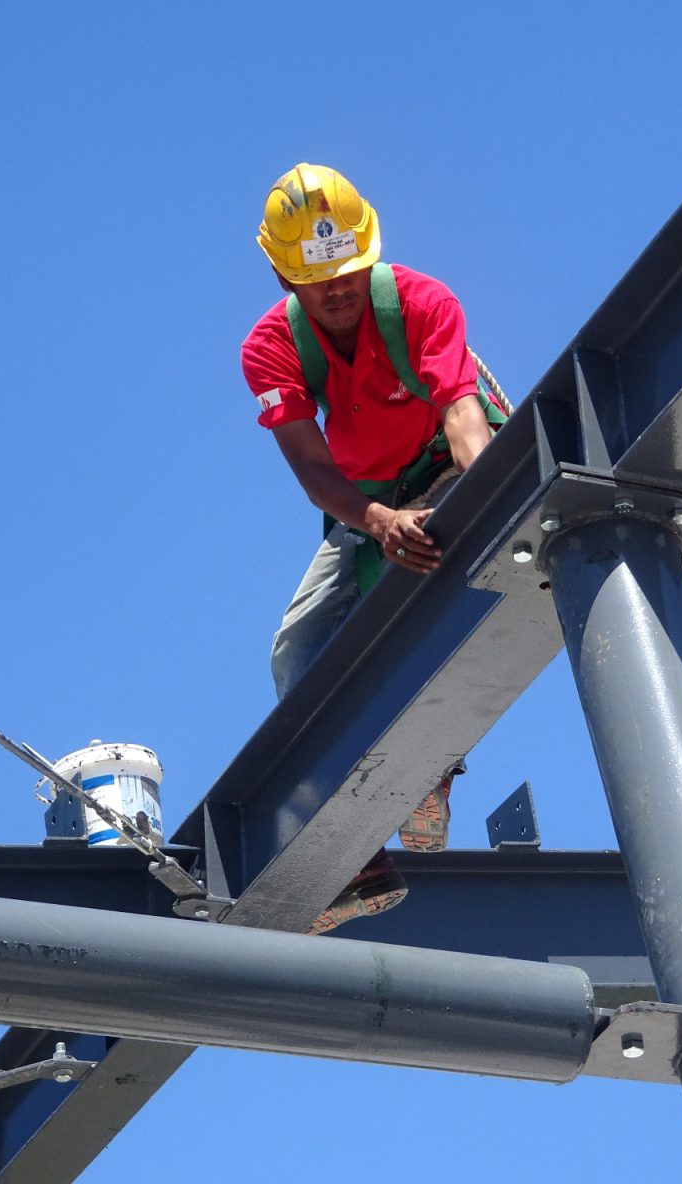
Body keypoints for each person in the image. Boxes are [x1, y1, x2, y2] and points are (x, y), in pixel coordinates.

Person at [241, 163, 508, 932]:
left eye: (349, 271)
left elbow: (463, 419)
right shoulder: (270, 349)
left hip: (450, 465)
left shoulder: (422, 301)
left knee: (442, 569)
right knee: (300, 646)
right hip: (363, 497)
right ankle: (350, 854)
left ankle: (429, 763)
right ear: (283, 273)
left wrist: (491, 501)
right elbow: (314, 471)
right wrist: (379, 519)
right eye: (317, 280)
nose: (339, 290)